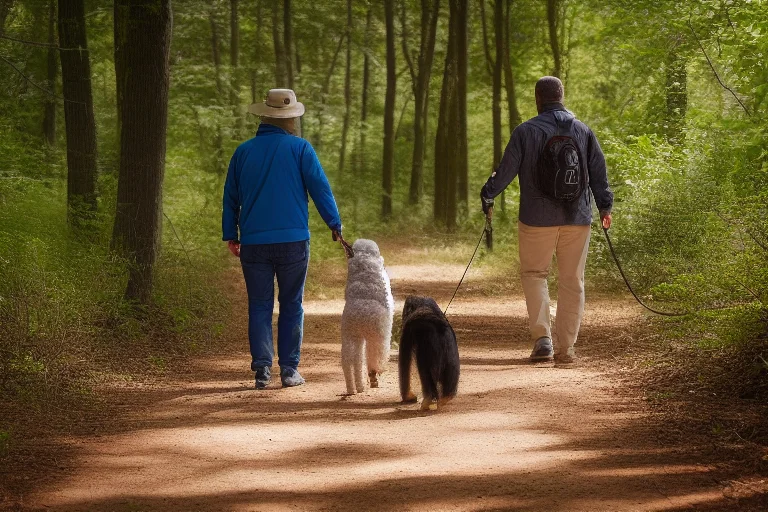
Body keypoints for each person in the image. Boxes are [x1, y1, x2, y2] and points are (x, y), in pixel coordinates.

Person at [479, 76, 613, 367]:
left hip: (535, 219)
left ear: (538, 98)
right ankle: (566, 349)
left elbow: (506, 171)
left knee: (534, 275)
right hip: (577, 218)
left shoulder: (525, 132)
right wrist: (605, 206)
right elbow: (598, 171)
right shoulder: (583, 130)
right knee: (572, 281)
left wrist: (488, 195)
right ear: (561, 97)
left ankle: (543, 340)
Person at [222, 89, 343, 389]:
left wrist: (230, 233)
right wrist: (334, 224)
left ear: (264, 116)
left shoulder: (243, 152)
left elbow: (230, 198)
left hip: (254, 243)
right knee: (291, 303)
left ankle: (262, 371)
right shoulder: (301, 149)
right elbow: (320, 188)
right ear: (289, 120)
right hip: (293, 242)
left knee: (260, 305)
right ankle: (289, 370)